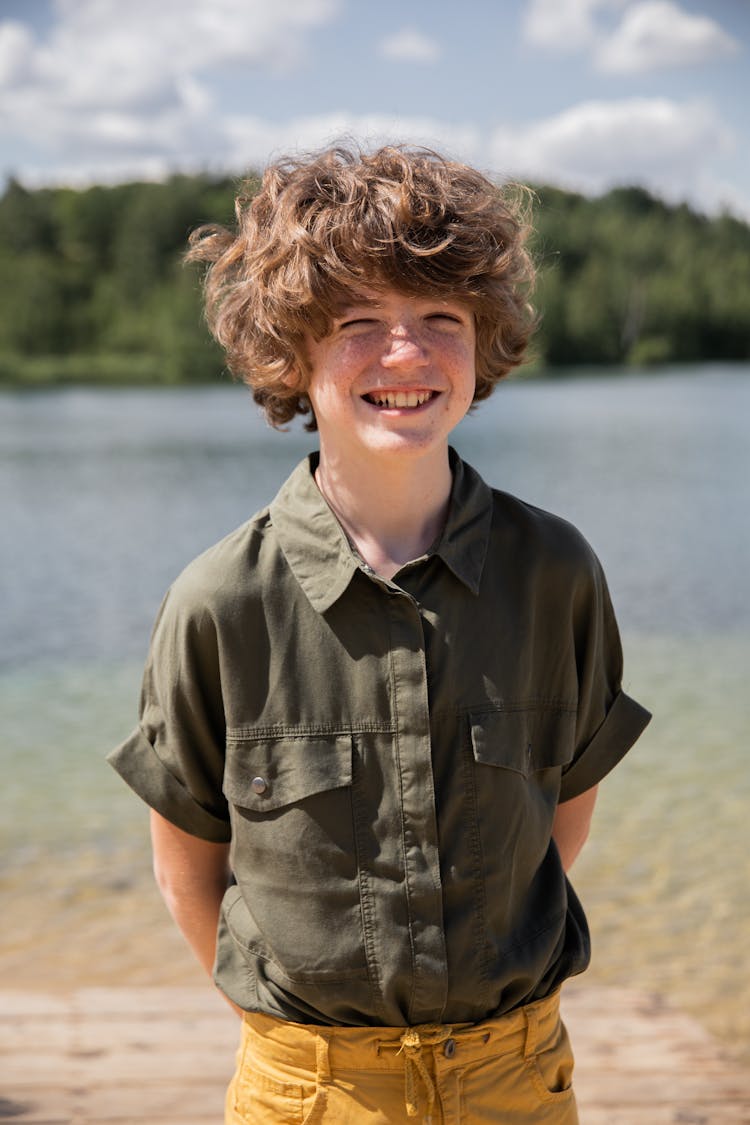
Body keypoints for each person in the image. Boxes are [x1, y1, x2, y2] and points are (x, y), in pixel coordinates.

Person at [108, 144, 651, 1124]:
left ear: (483, 343)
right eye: (358, 323)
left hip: (517, 1077)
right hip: (309, 1089)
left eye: (440, 319)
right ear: (290, 356)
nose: (406, 354)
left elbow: (564, 813)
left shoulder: (557, 572)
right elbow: (186, 865)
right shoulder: (219, 602)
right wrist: (310, 1045)